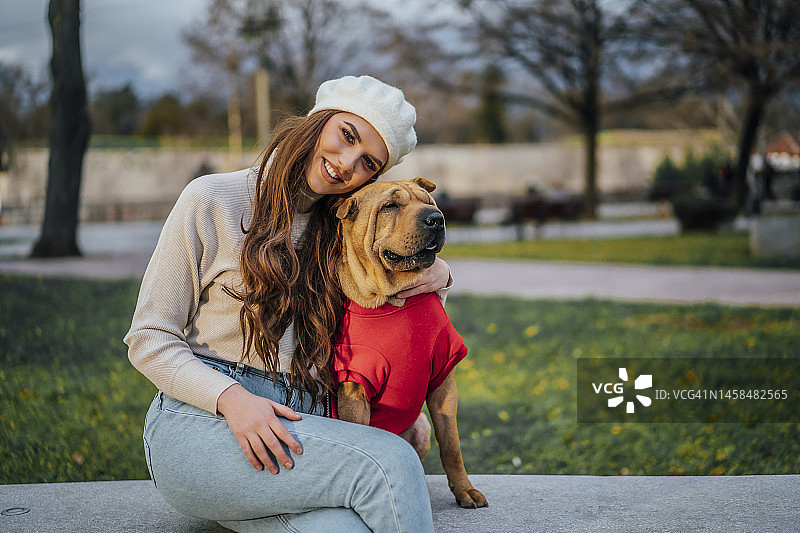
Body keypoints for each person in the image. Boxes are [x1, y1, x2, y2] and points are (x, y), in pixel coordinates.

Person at [124, 75, 453, 532]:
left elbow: (397, 255)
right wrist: (234, 401)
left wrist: (439, 270)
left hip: (301, 427)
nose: (345, 163)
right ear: (318, 121)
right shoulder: (211, 199)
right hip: (204, 423)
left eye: (367, 163)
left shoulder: (342, 226)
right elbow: (148, 339)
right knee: (392, 464)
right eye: (347, 135)